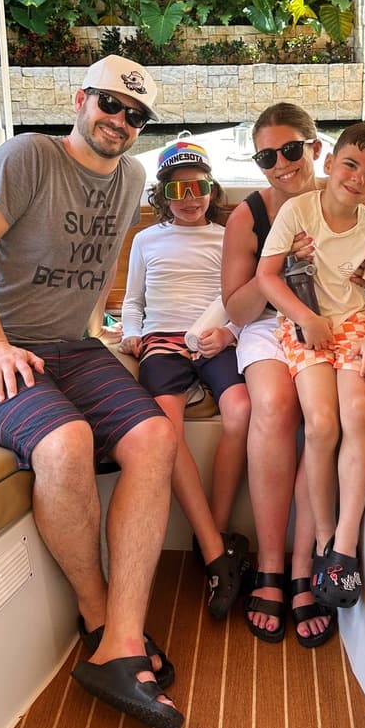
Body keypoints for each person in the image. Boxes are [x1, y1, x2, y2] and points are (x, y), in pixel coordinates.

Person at [0, 55, 184, 728]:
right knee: (66, 440)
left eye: (136, 115)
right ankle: (101, 623)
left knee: (156, 434)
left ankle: (123, 640)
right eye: (109, 104)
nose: (120, 121)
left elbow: (93, 268)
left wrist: (103, 328)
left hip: (69, 347)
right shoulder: (28, 157)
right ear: (82, 99)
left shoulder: (131, 177)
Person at [221, 104, 365, 646]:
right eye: (267, 155)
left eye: (292, 149)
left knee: (325, 415)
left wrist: (336, 267)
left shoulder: (363, 202)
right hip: (272, 318)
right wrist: (296, 265)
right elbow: (239, 305)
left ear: (316, 150)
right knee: (277, 406)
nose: (281, 162)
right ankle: (273, 564)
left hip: (345, 318)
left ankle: (310, 562)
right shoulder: (251, 216)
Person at [256, 123, 365, 609]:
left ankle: (344, 546)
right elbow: (267, 277)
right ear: (330, 161)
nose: (357, 178)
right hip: (305, 323)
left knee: (357, 412)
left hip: (357, 324)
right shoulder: (298, 210)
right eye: (351, 165)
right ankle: (321, 538)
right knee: (320, 423)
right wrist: (307, 318)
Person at [118, 139, 251, 619]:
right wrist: (133, 333)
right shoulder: (145, 240)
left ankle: (208, 535)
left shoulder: (227, 237)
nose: (190, 197)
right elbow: (132, 303)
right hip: (161, 341)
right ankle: (218, 553)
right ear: (163, 194)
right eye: (178, 189)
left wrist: (229, 332)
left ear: (212, 189)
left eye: (199, 187)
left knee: (240, 410)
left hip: (214, 338)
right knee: (166, 433)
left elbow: (241, 301)